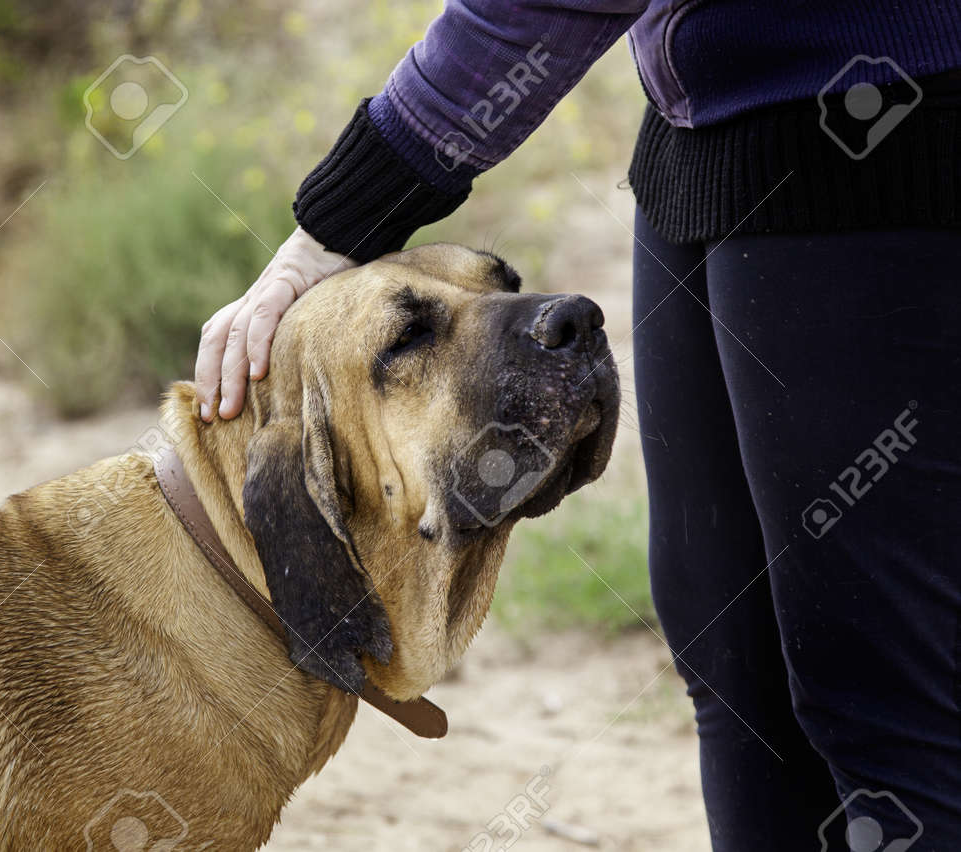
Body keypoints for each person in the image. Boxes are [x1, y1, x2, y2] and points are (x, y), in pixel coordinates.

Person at [193, 2, 961, 849]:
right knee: (735, 670)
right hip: (696, 130)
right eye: (416, 336)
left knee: (883, 695)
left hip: (875, 122)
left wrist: (343, 214)